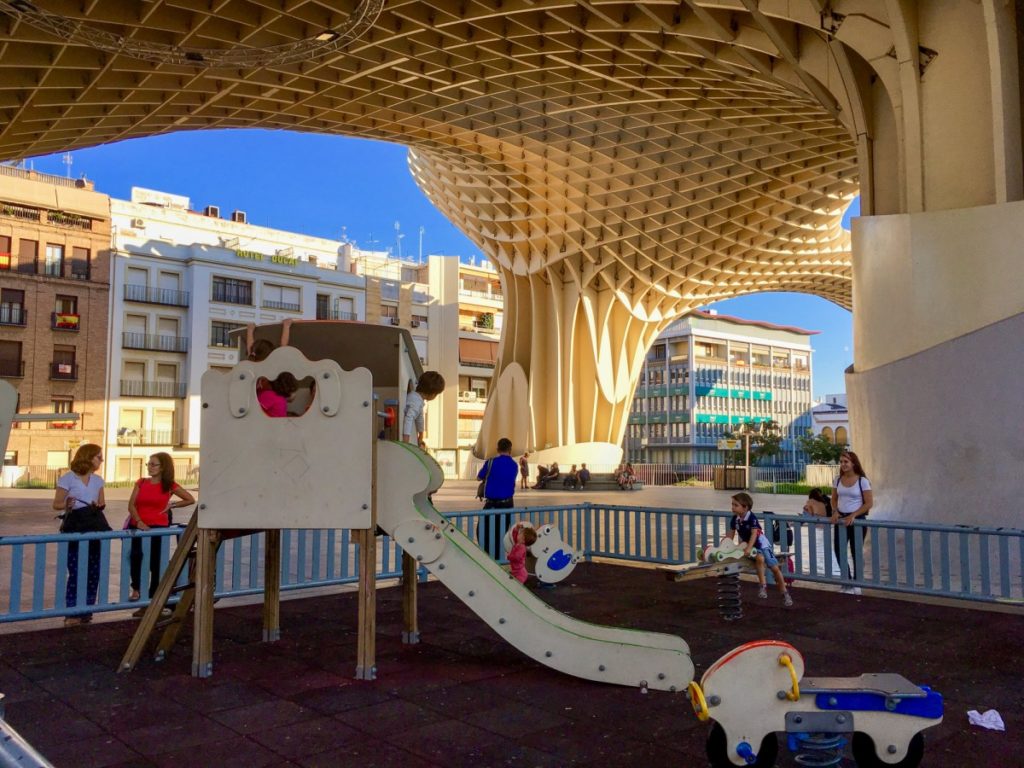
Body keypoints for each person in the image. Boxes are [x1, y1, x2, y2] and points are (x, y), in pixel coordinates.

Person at [52, 444, 110, 626]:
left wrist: (99, 506)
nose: (101, 460)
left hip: (94, 525)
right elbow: (56, 504)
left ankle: (87, 610)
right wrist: (68, 504)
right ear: (88, 457)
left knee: (94, 570)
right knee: (76, 569)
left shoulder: (98, 480)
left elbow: (102, 502)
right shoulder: (67, 479)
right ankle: (72, 611)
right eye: (98, 457)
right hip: (76, 526)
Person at [127, 453, 196, 604]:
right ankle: (137, 588)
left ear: (163, 467)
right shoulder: (141, 482)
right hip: (138, 526)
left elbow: (190, 499)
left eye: (153, 464)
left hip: (158, 527)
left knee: (156, 561)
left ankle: (154, 594)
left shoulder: (170, 485)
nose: (149, 467)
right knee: (136, 556)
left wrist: (173, 505)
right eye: (148, 464)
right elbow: (131, 504)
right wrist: (138, 521)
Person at [729, 492, 793, 607]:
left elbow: (754, 534)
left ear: (745, 507)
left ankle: (784, 592)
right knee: (759, 558)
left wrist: (748, 548)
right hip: (751, 545)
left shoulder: (751, 517)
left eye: (735, 505)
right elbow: (730, 536)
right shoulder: (735, 519)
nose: (732, 507)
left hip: (762, 544)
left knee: (774, 567)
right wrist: (725, 548)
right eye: (732, 504)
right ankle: (762, 586)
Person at [831, 450, 873, 594]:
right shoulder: (837, 479)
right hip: (841, 519)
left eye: (846, 462)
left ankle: (857, 582)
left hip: (857, 520)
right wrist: (835, 511)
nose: (843, 464)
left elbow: (868, 503)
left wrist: (854, 515)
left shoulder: (862, 481)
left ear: (853, 463)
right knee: (838, 550)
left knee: (856, 552)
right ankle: (846, 582)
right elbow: (834, 499)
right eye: (841, 462)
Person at [476, 437, 519, 560]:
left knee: (483, 530)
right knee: (502, 532)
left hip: (491, 504)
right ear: (510, 450)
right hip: (508, 504)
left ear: (497, 449)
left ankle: (487, 556)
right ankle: (499, 557)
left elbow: (479, 478)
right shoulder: (514, 465)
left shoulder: (490, 462)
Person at [403, 371, 446, 447]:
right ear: (432, 393)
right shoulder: (415, 401)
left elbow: (420, 418)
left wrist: (421, 435)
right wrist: (406, 441)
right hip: (405, 439)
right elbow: (408, 418)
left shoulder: (417, 399)